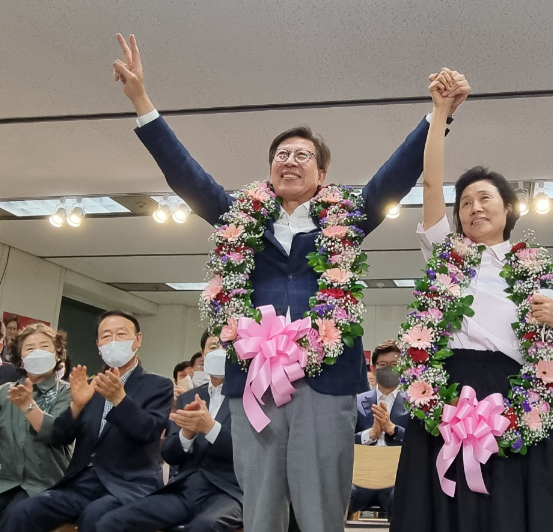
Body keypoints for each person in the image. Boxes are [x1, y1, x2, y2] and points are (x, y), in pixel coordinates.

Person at [113, 33, 470, 532]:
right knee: (259, 505)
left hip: (326, 383)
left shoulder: (344, 220)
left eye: (303, 155)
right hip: (255, 382)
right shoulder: (241, 220)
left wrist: (439, 114)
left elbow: (394, 176)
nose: (290, 161)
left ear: (323, 175)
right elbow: (186, 176)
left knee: (322, 506)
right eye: (282, 154)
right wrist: (141, 101)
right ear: (268, 171)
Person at [390, 72, 553, 532]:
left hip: (513, 394)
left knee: (508, 505)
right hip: (448, 389)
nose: (474, 207)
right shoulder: (447, 255)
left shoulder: (534, 266)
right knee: (443, 503)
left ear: (509, 208)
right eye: (465, 202)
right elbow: (431, 185)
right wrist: (440, 115)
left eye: (485, 197)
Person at [2, 310, 174, 532]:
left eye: (121, 334)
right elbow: (59, 436)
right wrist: (77, 405)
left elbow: (148, 432)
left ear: (137, 340)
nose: (113, 341)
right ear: (98, 345)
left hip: (126, 484)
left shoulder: (157, 384)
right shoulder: (91, 385)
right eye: (106, 336)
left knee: (95, 518)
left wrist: (120, 400)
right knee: (23, 512)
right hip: (81, 483)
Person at [98, 348, 243, 532]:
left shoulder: (249, 397)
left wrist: (210, 428)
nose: (219, 351)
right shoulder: (188, 397)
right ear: (203, 354)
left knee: (204, 527)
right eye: (213, 347)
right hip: (184, 488)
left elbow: (249, 452)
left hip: (228, 492)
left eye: (226, 346)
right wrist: (186, 436)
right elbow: (169, 453)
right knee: (113, 522)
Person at [0, 323, 72, 520]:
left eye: (44, 346)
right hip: (5, 480)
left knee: (16, 516)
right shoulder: (6, 391)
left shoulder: (67, 392)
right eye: (30, 349)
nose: (37, 353)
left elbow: (56, 433)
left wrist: (28, 406)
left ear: (57, 354)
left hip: (43, 484)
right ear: (20, 359)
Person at [350, 340, 409, 518]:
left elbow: (417, 442)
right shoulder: (358, 401)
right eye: (383, 365)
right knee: (336, 498)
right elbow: (344, 439)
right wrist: (370, 434)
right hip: (359, 481)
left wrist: (393, 430)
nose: (389, 368)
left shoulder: (413, 403)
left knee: (403, 502)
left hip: (394, 481)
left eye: (394, 364)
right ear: (374, 369)